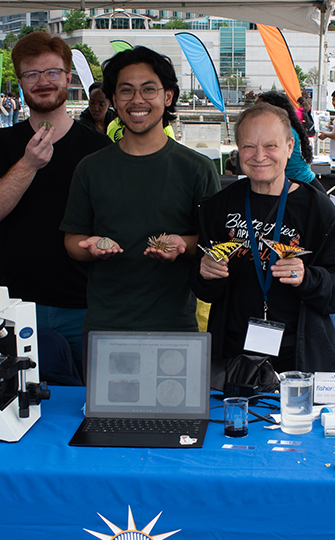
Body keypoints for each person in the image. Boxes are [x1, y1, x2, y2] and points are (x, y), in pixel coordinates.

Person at [61, 46, 220, 339]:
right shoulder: (91, 168)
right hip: (106, 325)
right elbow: (72, 240)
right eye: (126, 91)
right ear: (113, 100)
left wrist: (181, 244)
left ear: (168, 96)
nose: (137, 100)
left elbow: (214, 244)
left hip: (175, 325)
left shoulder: (198, 167)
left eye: (149, 89)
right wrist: (91, 247)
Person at [190, 103, 335, 375]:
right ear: (237, 150)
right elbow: (204, 290)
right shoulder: (218, 207)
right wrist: (204, 273)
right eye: (248, 147)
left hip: (299, 358)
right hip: (233, 355)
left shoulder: (317, 209)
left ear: (290, 147)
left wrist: (307, 277)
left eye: (271, 146)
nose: (259, 156)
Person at [0, 32, 110, 367]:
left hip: (85, 306)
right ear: (20, 81)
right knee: (14, 404)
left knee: (89, 409)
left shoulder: (99, 151)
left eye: (52, 72)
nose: (43, 82)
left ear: (68, 77)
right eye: (31, 74)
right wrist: (29, 164)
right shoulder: (3, 144)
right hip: (14, 306)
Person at [256, 90, 321, 191]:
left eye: (260, 109)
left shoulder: (283, 130)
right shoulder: (287, 127)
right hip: (301, 182)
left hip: (301, 185)